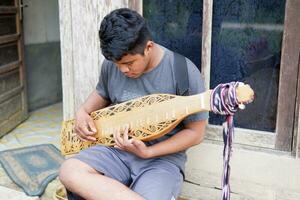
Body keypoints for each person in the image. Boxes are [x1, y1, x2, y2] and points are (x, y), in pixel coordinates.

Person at [59, 8, 208, 200]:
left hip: (160, 161)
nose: (122, 70)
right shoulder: (112, 66)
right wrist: (82, 112)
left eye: (129, 63)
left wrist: (148, 152)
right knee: (69, 171)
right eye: (116, 63)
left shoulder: (183, 71)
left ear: (149, 47)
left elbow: (196, 133)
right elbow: (100, 93)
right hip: (115, 151)